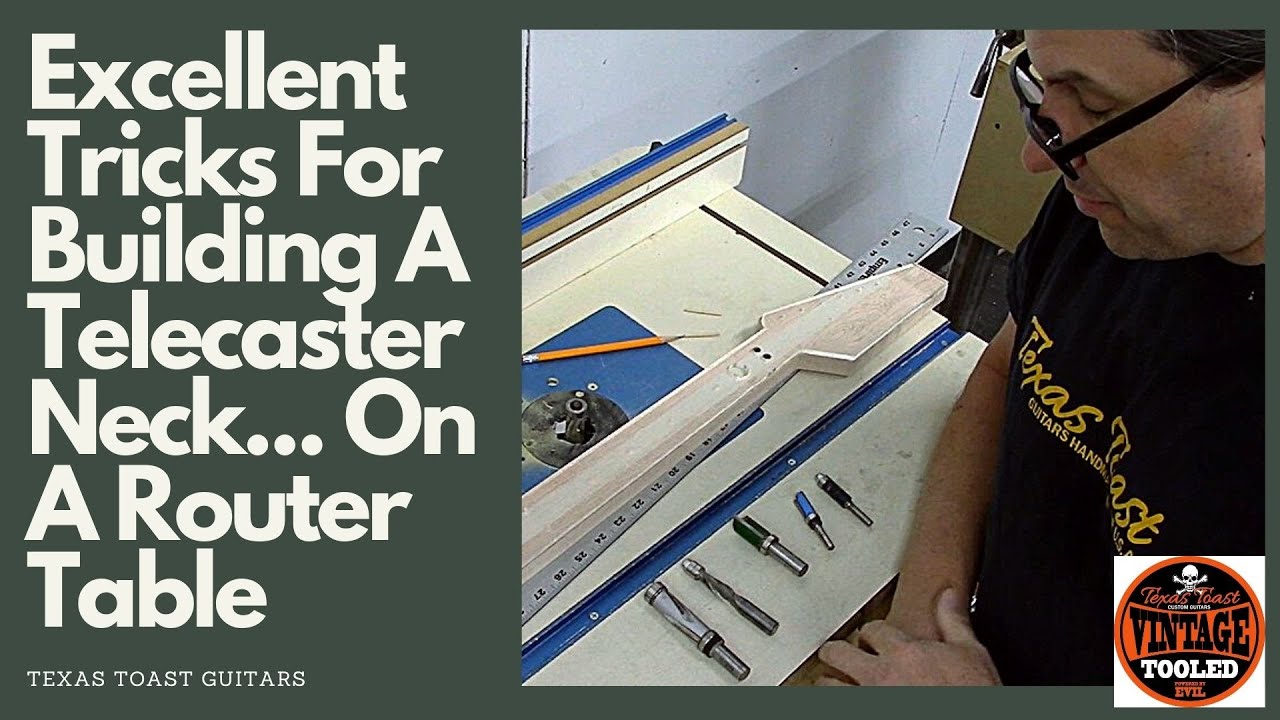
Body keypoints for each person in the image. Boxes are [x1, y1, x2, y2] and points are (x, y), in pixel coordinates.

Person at [817, 29, 1265, 686]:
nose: (1037, 156)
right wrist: (926, 619)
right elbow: (1006, 373)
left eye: (1097, 105)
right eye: (1044, 86)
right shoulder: (1116, 210)